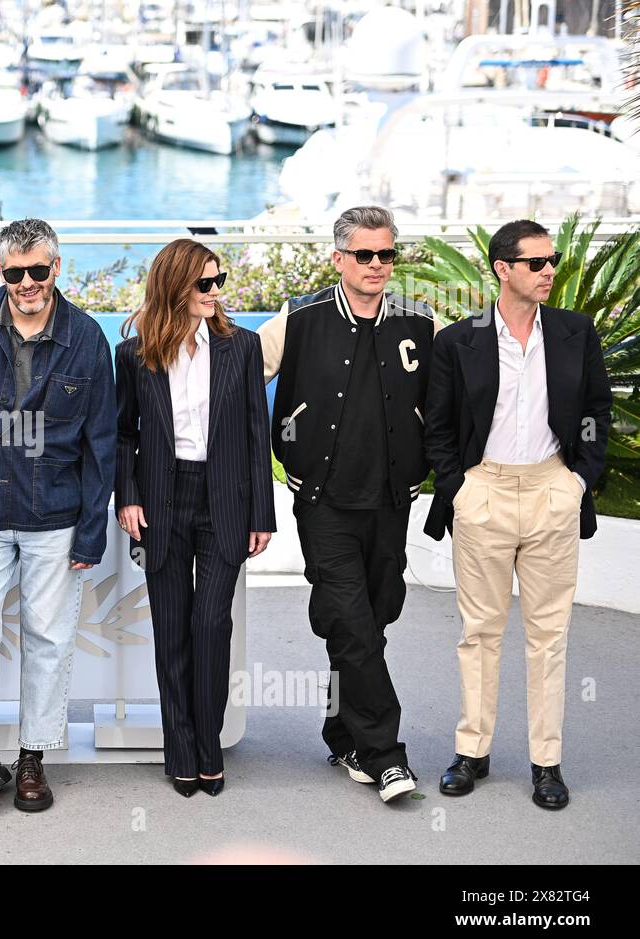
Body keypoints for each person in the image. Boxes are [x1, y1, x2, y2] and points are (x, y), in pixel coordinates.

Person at [423, 219, 612, 810]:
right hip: (485, 493)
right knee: (479, 632)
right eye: (537, 263)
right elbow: (439, 426)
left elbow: (596, 413)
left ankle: (546, 763)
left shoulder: (576, 332)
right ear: (503, 270)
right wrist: (459, 488)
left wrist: (578, 480)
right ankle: (472, 751)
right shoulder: (459, 340)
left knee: (548, 635)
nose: (550, 270)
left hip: (553, 490)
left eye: (552, 260)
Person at [258, 205, 440, 804]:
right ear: (338, 258)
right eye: (365, 254)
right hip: (322, 500)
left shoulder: (420, 321)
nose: (377, 266)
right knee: (355, 625)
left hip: (392, 499)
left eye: (387, 254)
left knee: (373, 616)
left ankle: (342, 732)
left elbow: (453, 396)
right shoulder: (301, 317)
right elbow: (235, 376)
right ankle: (387, 755)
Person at [0, 218, 116, 812]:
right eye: (14, 273)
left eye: (38, 270)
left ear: (56, 267)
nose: (27, 283)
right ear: (0, 271)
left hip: (56, 516)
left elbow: (102, 442)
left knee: (49, 639)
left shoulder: (88, 336)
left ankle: (34, 757)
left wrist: (92, 530)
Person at [115, 239, 275, 798]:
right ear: (174, 287)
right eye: (203, 283)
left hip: (224, 499)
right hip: (161, 499)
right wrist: (127, 496)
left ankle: (209, 744)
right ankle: (180, 748)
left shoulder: (242, 347)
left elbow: (259, 432)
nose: (214, 292)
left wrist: (262, 512)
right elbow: (124, 432)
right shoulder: (136, 355)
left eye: (218, 281)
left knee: (211, 624)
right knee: (171, 630)